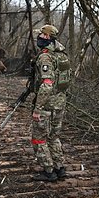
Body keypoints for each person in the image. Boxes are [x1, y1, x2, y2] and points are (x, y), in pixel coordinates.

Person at [31, 24, 71, 182]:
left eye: (41, 35)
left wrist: (37, 108)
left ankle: (49, 171)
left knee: (39, 138)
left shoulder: (46, 56)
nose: (38, 38)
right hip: (60, 102)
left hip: (47, 105)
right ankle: (59, 168)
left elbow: (47, 83)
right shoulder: (62, 54)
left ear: (47, 37)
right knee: (54, 137)